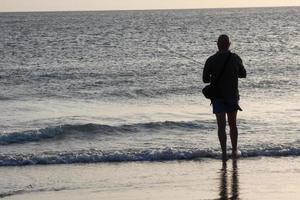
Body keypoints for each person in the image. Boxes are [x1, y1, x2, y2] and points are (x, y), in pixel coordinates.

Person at [203, 34, 246, 161]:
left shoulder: (211, 60)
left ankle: (223, 153)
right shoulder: (235, 58)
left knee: (221, 126)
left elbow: (205, 79)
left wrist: (213, 77)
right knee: (233, 125)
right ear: (229, 44)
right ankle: (234, 151)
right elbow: (243, 74)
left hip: (217, 97)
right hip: (232, 96)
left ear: (218, 45)